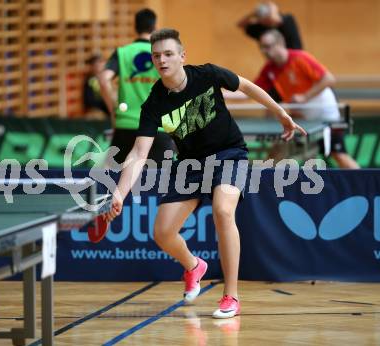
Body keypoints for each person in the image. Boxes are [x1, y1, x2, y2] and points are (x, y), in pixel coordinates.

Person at [104, 28, 306, 318]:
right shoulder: (153, 104)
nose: (163, 60)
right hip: (190, 164)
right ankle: (193, 266)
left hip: (229, 153)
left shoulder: (207, 74)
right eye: (157, 55)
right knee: (162, 233)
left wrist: (280, 114)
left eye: (169, 54)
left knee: (223, 212)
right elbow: (138, 153)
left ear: (182, 56)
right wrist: (120, 193)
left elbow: (247, 86)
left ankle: (231, 296)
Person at [254, 29, 359, 168]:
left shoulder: (299, 58)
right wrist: (224, 91)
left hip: (325, 115)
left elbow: (329, 79)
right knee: (278, 152)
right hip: (303, 119)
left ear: (280, 43)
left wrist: (305, 96)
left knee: (339, 155)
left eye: (267, 46)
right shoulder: (269, 70)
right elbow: (249, 90)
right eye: (261, 47)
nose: (264, 51)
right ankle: (260, 187)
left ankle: (368, 188)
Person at [98, 8, 175, 164]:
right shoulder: (163, 54)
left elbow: (104, 79)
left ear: (135, 27)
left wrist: (114, 111)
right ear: (155, 27)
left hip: (125, 126)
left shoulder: (122, 53)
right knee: (160, 185)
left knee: (117, 183)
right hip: (158, 129)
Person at [237, 1, 303, 49]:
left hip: (296, 56)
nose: (267, 21)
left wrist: (272, 7)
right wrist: (253, 13)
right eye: (263, 19)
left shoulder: (287, 20)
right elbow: (240, 25)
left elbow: (276, 20)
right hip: (276, 62)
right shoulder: (261, 27)